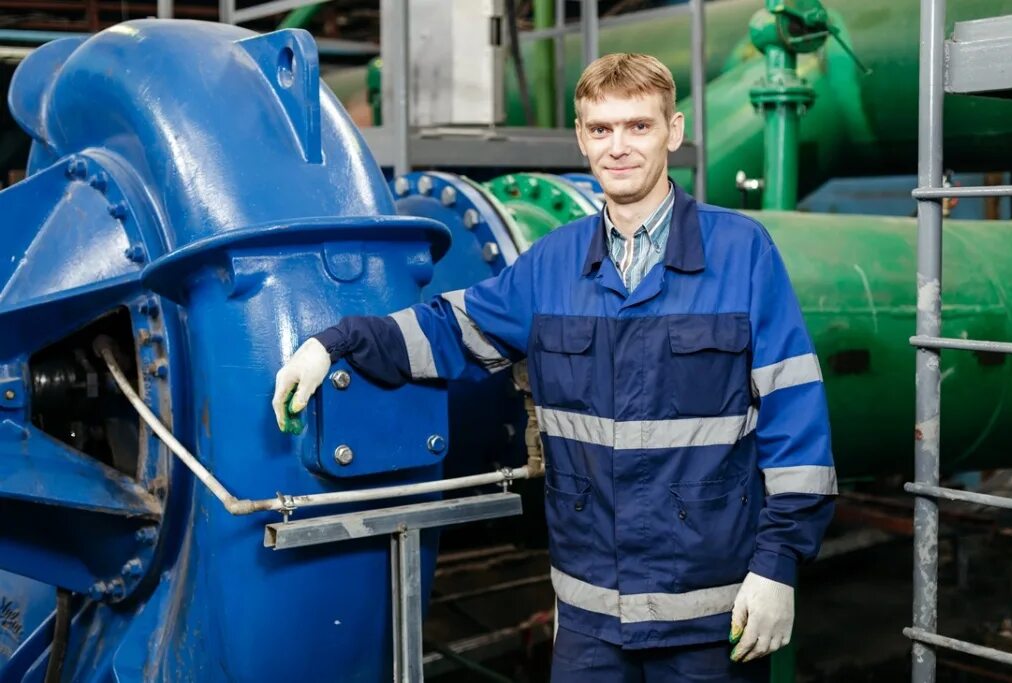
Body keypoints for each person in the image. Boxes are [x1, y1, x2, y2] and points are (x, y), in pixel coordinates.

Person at [272, 53, 836, 683]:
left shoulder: (742, 253)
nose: (618, 147)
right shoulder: (552, 266)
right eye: (601, 130)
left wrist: (778, 564)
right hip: (591, 615)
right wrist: (336, 341)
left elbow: (797, 417)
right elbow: (450, 329)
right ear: (581, 138)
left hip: (709, 612)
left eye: (638, 126)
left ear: (673, 132)